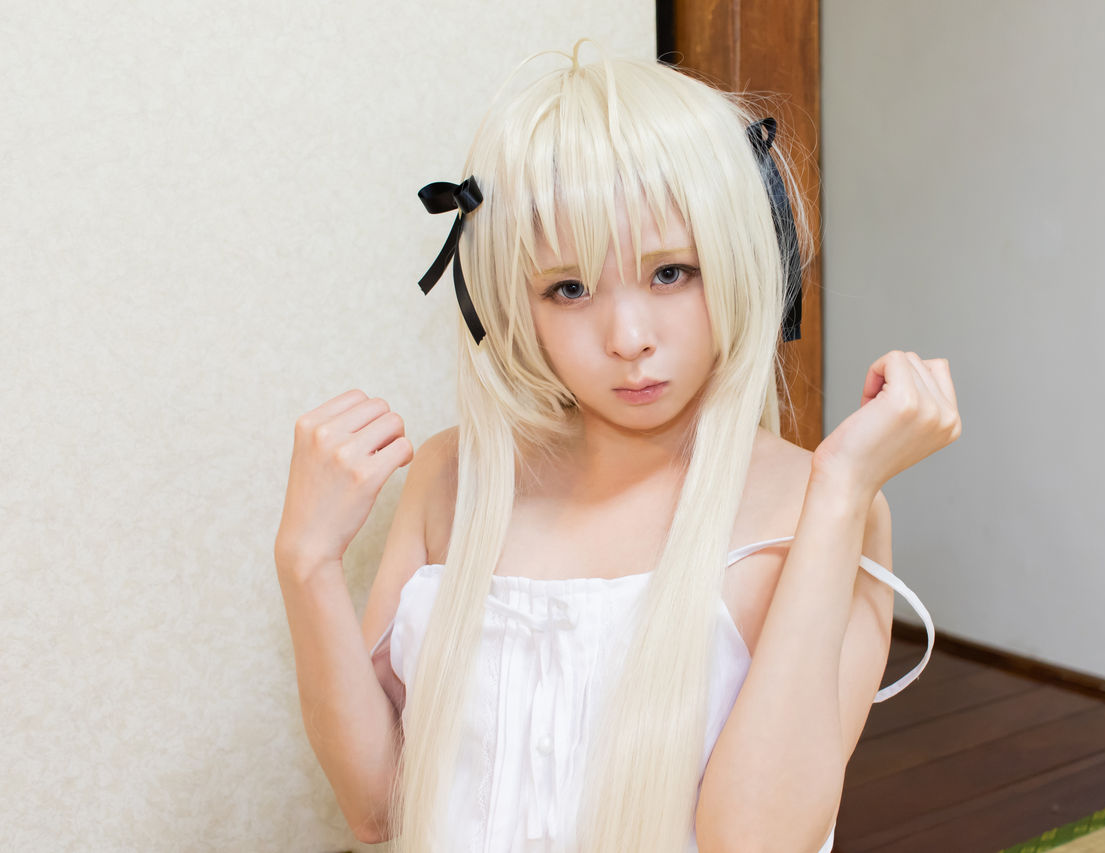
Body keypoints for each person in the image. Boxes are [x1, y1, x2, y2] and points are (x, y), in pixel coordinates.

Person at [274, 41, 959, 853]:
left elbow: (755, 841)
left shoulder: (826, 507)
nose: (628, 338)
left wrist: (841, 487)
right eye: (569, 288)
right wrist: (307, 562)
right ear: (514, 302)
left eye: (671, 272)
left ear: (739, 258)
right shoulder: (454, 475)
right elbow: (376, 811)